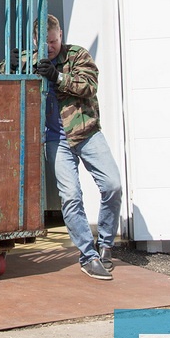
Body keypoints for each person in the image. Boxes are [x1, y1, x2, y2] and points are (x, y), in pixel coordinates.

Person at [35, 14, 122, 281]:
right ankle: (88, 255)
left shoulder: (77, 55)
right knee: (71, 196)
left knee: (112, 186)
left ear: (61, 34)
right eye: (45, 42)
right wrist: (11, 64)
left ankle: (105, 244)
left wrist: (58, 77)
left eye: (53, 40)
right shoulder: (33, 59)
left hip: (85, 131)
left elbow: (89, 85)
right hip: (55, 140)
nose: (50, 46)